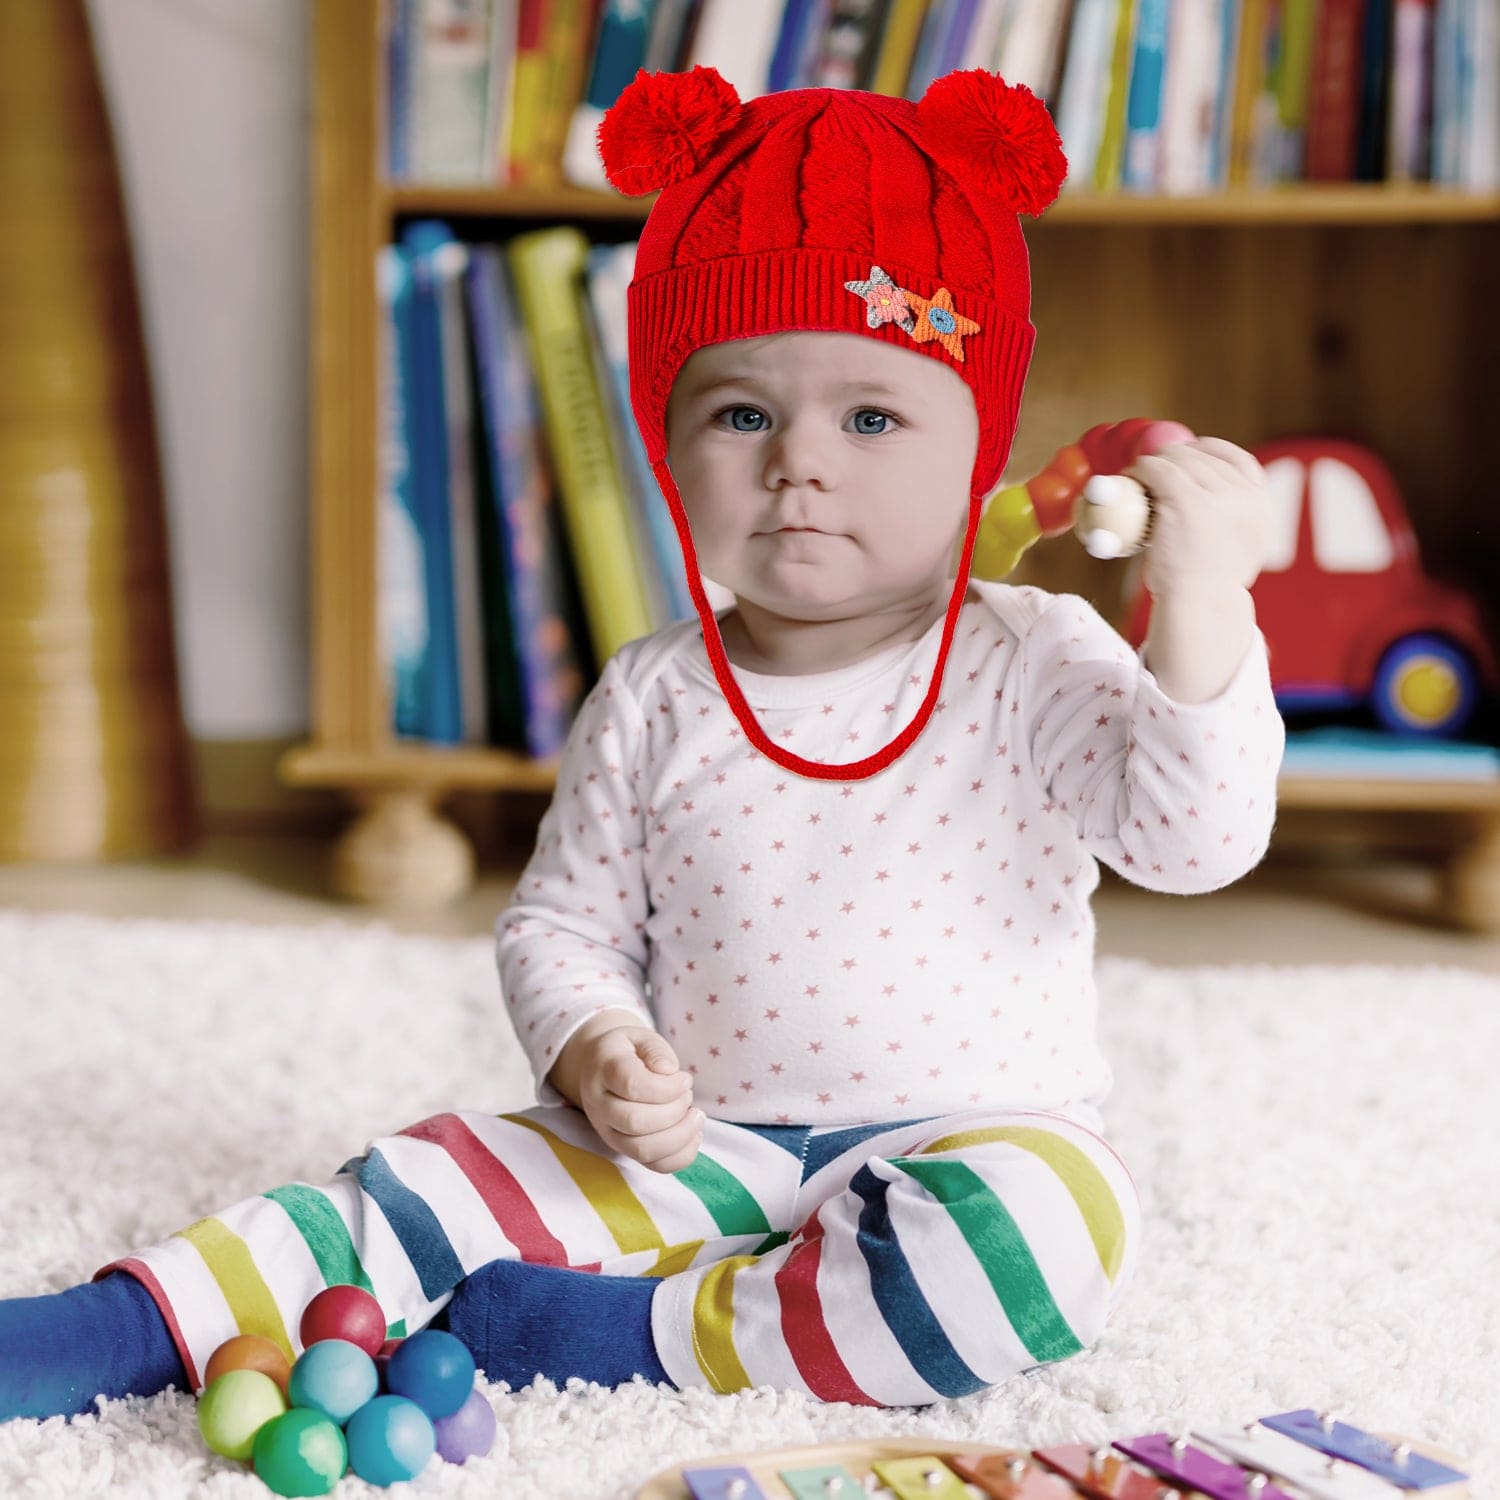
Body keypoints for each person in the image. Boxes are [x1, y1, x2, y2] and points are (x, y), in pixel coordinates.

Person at [0, 65, 1282, 1423]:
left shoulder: (1032, 656)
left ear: (981, 448)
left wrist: (1201, 614)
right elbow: (560, 927)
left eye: (871, 416)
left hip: (968, 1134)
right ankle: (123, 1323)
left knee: (1046, 1251)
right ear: (668, 444)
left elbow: (1193, 846)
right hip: (698, 1145)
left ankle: (638, 1334)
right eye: (742, 414)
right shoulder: (654, 693)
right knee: (421, 1179)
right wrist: (598, 1048)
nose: (801, 461)